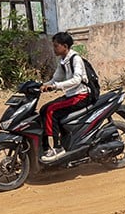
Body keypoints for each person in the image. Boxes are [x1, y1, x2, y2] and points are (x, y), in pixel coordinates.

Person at [39, 31, 91, 163]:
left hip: (81, 95)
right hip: (71, 95)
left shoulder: (75, 59)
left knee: (51, 110)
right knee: (43, 109)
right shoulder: (63, 60)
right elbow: (56, 78)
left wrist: (56, 86)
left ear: (65, 46)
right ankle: (45, 147)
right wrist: (43, 85)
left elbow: (77, 80)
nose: (54, 48)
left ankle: (58, 147)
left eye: (56, 46)